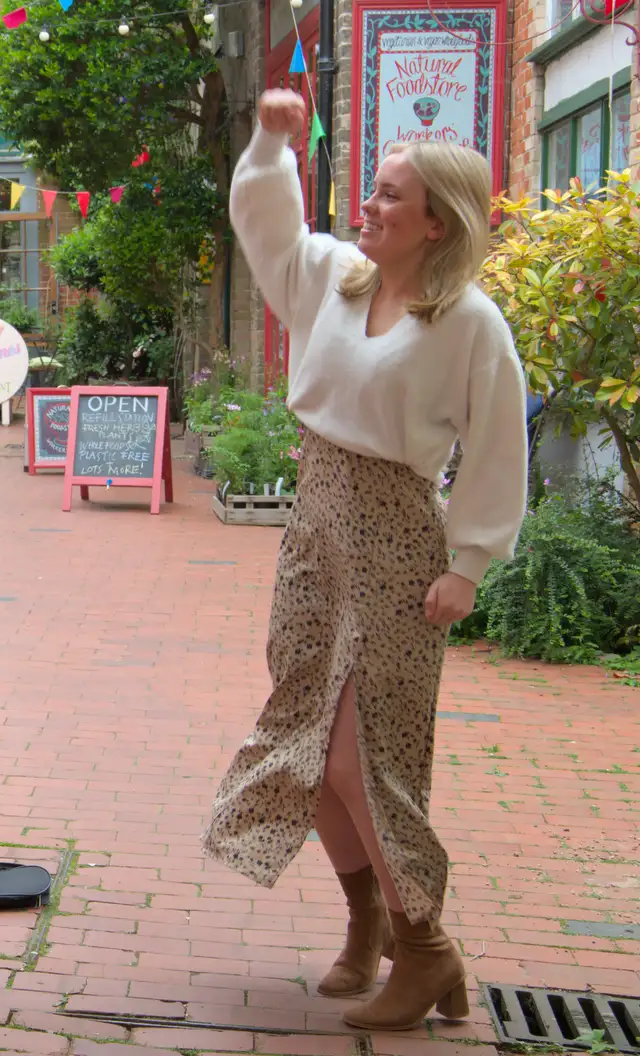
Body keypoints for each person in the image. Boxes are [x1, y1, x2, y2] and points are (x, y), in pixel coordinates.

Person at [201, 89, 527, 1031]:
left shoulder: (469, 321)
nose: (371, 209)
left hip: (394, 537)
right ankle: (366, 923)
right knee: (309, 741)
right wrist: (271, 140)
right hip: (316, 525)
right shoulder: (334, 278)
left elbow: (498, 447)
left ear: (438, 223)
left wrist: (467, 563)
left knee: (360, 755)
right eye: (372, 193)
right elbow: (266, 221)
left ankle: (425, 949)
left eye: (392, 197)